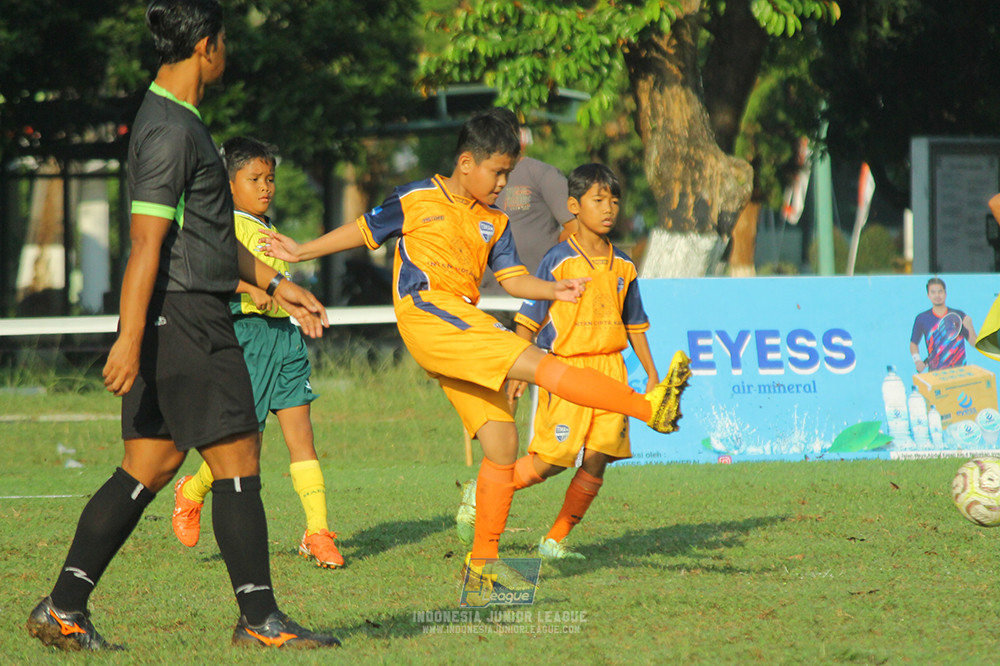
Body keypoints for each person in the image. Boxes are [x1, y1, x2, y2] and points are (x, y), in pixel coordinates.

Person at [259, 110, 691, 588]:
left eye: (508, 173)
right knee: (541, 366)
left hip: (459, 325)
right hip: (428, 313)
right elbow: (364, 229)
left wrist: (555, 291)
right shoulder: (418, 197)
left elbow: (514, 279)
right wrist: (300, 251)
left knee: (503, 445)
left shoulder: (496, 221)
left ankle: (483, 564)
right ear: (467, 162)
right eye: (498, 172)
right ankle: (647, 408)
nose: (504, 183)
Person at [26, 0, 339, 651]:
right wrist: (130, 336)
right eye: (224, 40)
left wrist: (279, 284)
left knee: (148, 465)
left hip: (182, 312)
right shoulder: (170, 129)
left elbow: (210, 239)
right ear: (206, 47)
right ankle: (260, 621)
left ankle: (62, 608)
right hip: (189, 318)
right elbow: (147, 244)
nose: (227, 51)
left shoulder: (181, 121)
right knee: (238, 459)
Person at [171, 136, 344, 569]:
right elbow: (213, 273)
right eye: (255, 179)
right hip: (244, 338)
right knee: (246, 443)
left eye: (270, 179)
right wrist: (252, 287)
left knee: (301, 437)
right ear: (229, 185)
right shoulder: (222, 225)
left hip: (284, 340)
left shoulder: (267, 227)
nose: (266, 187)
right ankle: (191, 491)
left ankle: (318, 532)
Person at [491, 163, 658, 560]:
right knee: (551, 461)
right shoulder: (558, 261)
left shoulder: (625, 266)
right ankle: (484, 496)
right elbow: (528, 318)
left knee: (599, 459)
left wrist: (651, 372)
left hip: (612, 371)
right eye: (598, 200)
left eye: (614, 201)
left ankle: (554, 540)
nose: (609, 209)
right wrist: (518, 367)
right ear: (573, 206)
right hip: (567, 372)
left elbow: (634, 324)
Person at [479, 108, 576, 295]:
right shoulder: (475, 179)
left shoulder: (542, 174)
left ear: (516, 134)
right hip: (485, 300)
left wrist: (550, 255)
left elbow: (576, 228)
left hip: (535, 296)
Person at [910, 277, 976, 372]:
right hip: (935, 374)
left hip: (960, 372)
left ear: (945, 293)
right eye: (933, 292)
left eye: (940, 291)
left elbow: (974, 343)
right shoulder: (921, 318)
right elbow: (913, 344)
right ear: (928, 295)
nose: (937, 295)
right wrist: (917, 361)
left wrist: (970, 326)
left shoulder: (959, 315)